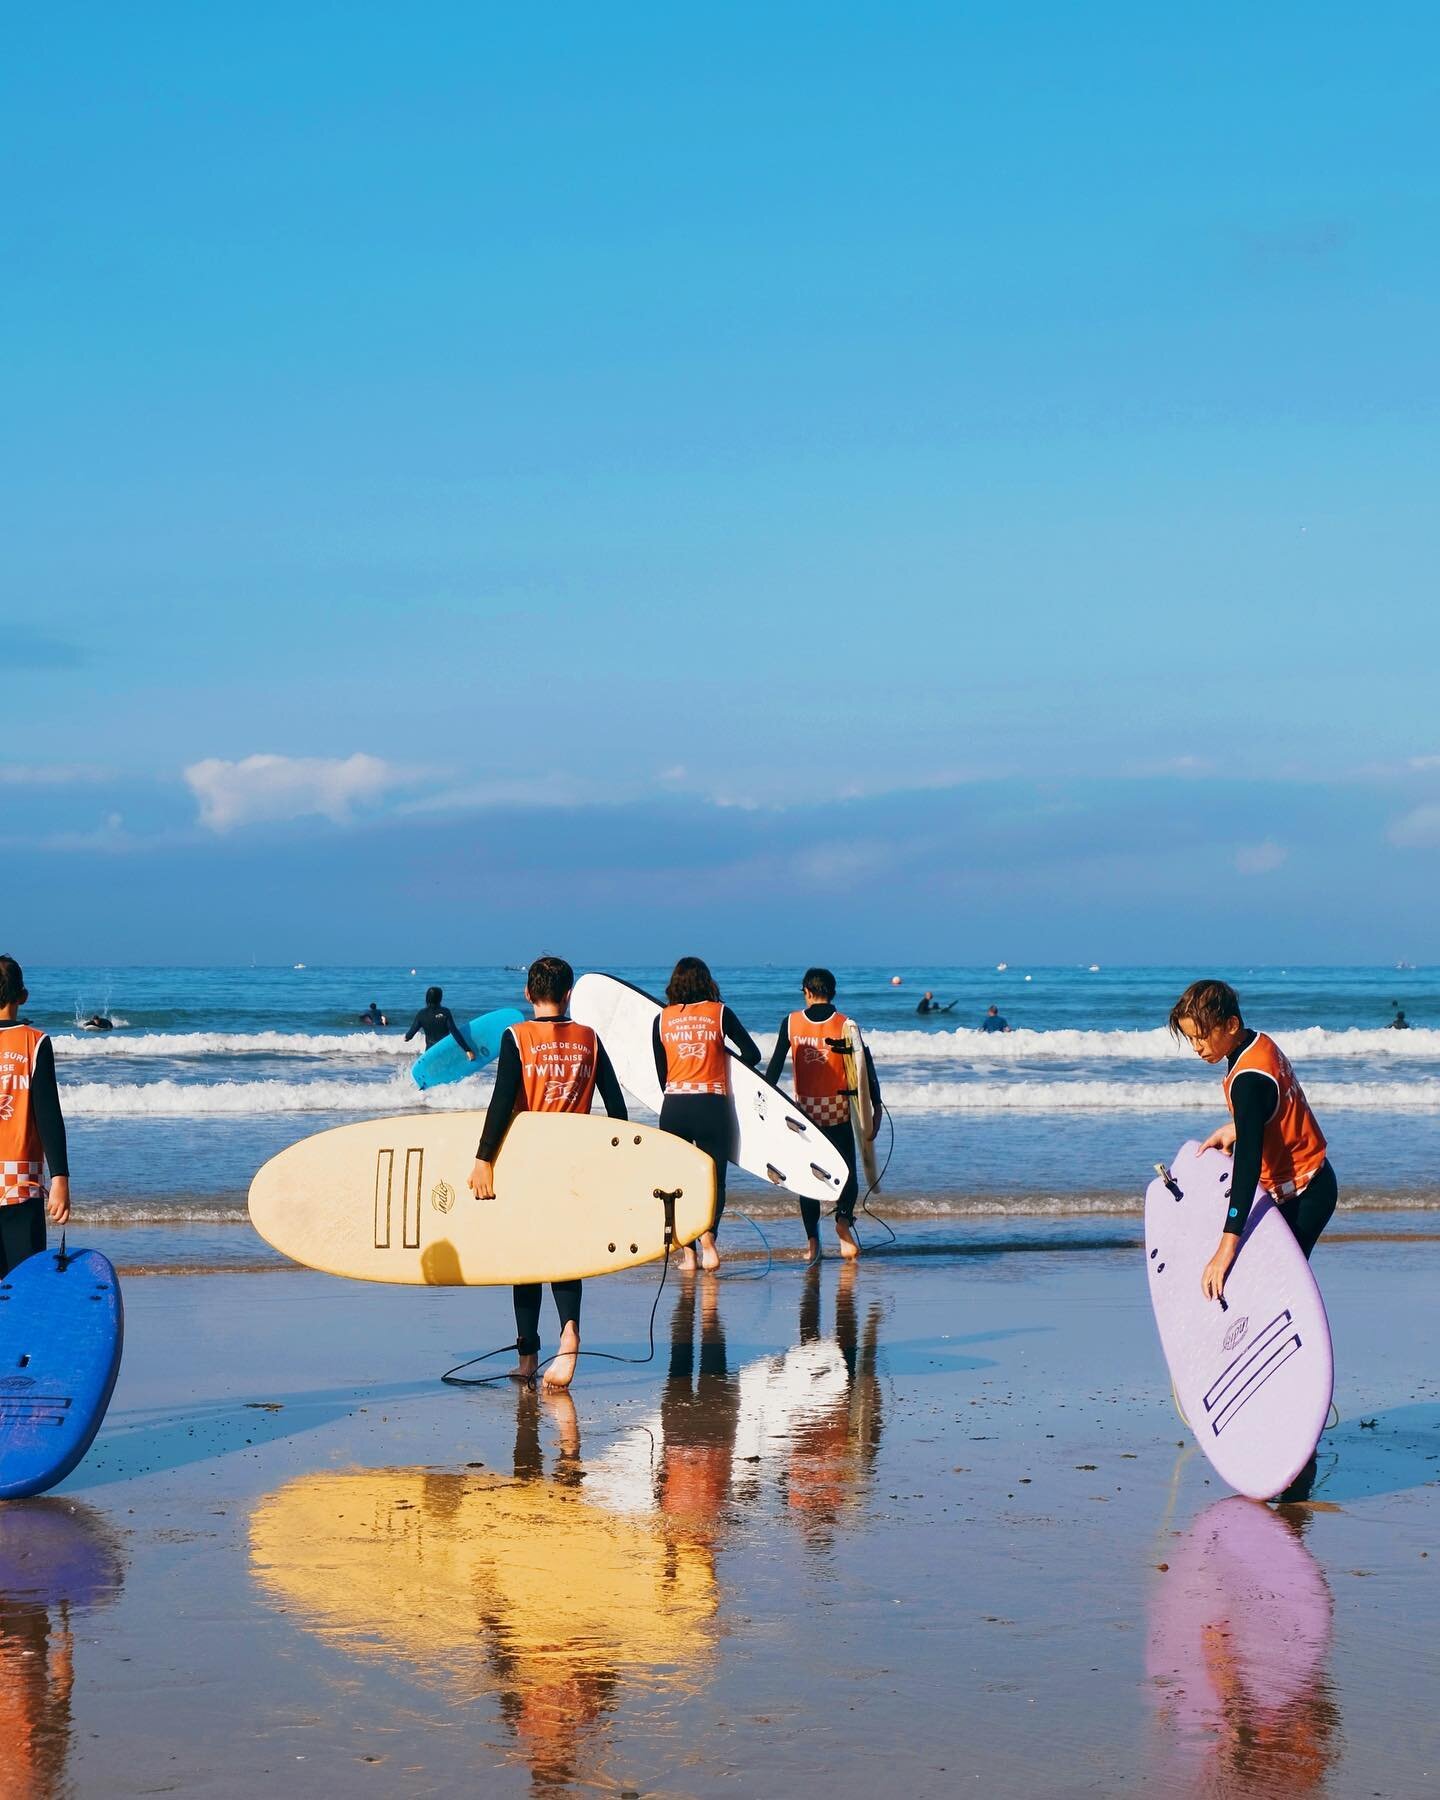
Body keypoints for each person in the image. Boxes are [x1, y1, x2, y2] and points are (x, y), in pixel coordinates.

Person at [468, 955, 627, 1389]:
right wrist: (617, 1160)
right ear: (569, 993)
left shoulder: (517, 1037)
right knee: (566, 1254)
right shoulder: (589, 1039)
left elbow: (502, 1102)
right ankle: (569, 1331)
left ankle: (527, 1358)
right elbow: (617, 1109)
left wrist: (484, 1159)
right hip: (575, 1163)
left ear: (527, 993)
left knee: (526, 1259)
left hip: (526, 1162)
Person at [1168, 979, 1337, 1304]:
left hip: (1302, 1198)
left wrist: (1227, 1244)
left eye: (1201, 1037)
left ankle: (1295, 1348)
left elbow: (1246, 1165)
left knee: (1272, 1287)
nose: (1196, 1047)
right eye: (1190, 1038)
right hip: (1314, 1181)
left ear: (1230, 1024)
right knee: (1267, 1281)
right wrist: (1240, 1126)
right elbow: (1280, 1102)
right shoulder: (1257, 1043)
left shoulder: (1247, 1080)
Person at [650, 956, 761, 1274]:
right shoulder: (720, 1013)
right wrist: (722, 1054)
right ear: (707, 982)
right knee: (715, 1180)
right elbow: (753, 1054)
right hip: (712, 1104)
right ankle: (710, 1241)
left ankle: (689, 1254)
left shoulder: (662, 1019)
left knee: (677, 1183)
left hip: (675, 1107)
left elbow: (662, 1074)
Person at [765, 968, 882, 1263]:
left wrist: (764, 1104)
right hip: (839, 1113)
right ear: (833, 992)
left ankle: (813, 1244)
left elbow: (775, 1068)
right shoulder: (846, 1024)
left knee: (808, 1180)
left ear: (806, 991)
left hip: (804, 1117)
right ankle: (843, 1222)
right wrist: (876, 1107)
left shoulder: (791, 1022)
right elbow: (864, 1068)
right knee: (848, 1175)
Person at [0, 957, 71, 1277]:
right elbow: (48, 1114)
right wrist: (60, 1179)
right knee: (24, 1286)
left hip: (21, 1188)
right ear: (23, 996)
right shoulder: (34, 1042)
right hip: (21, 1185)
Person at [404, 986, 475, 1058]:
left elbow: (410, 1035)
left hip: (430, 1053)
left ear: (427, 998)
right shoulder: (445, 1012)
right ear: (440, 998)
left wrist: (406, 1037)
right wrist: (467, 1050)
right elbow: (454, 1032)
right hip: (445, 1051)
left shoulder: (421, 1014)